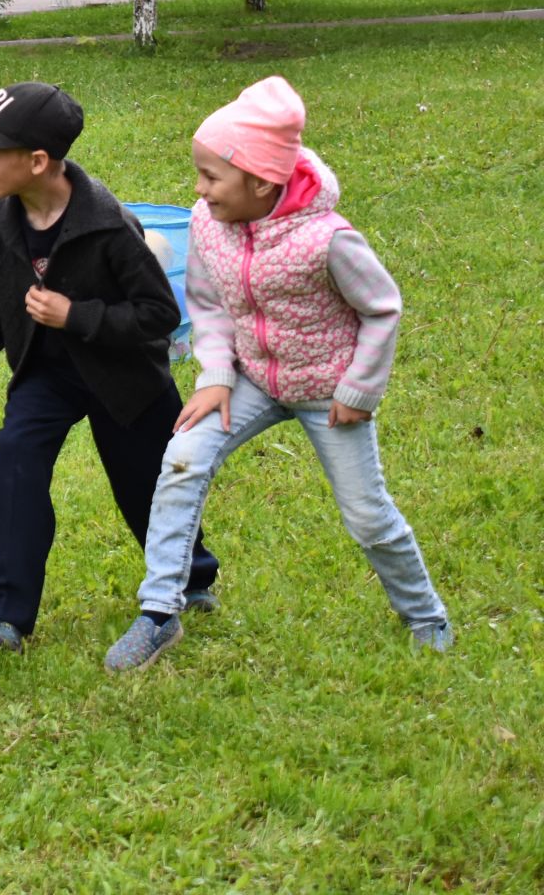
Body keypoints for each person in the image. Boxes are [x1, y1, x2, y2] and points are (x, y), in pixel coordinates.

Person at [104, 77, 451, 671]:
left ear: (261, 182)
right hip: (252, 380)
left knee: (368, 515)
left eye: (212, 177)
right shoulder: (208, 223)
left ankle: (425, 615)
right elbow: (208, 303)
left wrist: (360, 389)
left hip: (329, 393)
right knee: (182, 460)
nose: (198, 188)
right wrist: (215, 373)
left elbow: (382, 309)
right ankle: (160, 611)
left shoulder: (328, 241)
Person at [0, 82, 220, 654]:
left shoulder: (109, 224)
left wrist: (76, 315)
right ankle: (5, 617)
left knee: (145, 485)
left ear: (37, 162)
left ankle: (193, 577)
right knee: (13, 473)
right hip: (47, 372)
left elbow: (159, 316)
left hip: (125, 376)